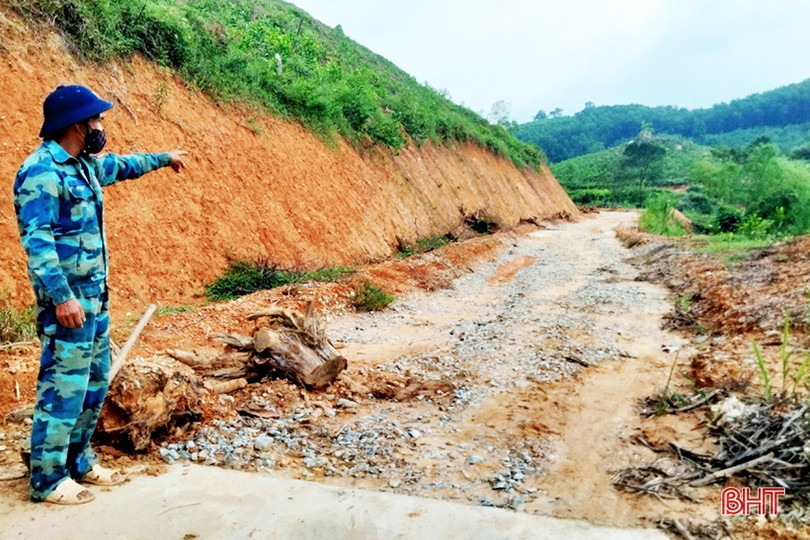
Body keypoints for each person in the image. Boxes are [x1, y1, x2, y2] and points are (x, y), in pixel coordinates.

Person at [13, 84, 188, 505]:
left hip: (96, 299)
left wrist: (165, 158)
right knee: (62, 387)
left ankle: (79, 463)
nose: (101, 126)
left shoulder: (84, 166)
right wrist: (61, 297)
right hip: (68, 304)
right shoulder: (40, 172)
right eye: (96, 120)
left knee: (92, 386)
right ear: (77, 124)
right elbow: (38, 243)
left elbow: (124, 165)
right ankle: (48, 480)